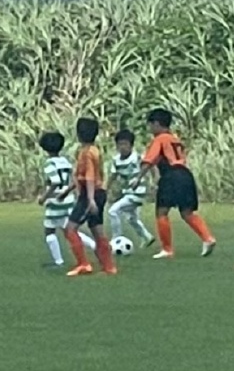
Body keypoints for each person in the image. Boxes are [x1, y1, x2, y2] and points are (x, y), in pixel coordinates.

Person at [131, 108, 216, 259]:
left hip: (171, 175)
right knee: (187, 212)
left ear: (157, 124)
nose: (150, 129)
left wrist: (138, 178)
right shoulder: (175, 139)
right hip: (185, 175)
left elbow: (149, 160)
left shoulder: (160, 139)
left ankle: (167, 249)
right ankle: (207, 238)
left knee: (161, 212)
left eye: (150, 125)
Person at [64, 117, 117, 276]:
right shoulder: (94, 150)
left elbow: (89, 176)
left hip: (90, 194)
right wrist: (68, 191)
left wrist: (90, 198)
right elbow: (84, 176)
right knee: (97, 230)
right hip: (98, 192)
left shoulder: (86, 153)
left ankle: (83, 264)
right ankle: (109, 267)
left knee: (70, 229)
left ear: (79, 133)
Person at [106, 129, 155, 250]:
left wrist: (154, 181)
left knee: (113, 211)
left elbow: (150, 166)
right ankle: (147, 237)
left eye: (125, 144)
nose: (122, 147)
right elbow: (113, 176)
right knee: (132, 219)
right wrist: (106, 188)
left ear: (131, 145)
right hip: (127, 192)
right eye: (120, 144)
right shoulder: (116, 160)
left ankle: (116, 238)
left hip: (137, 192)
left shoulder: (137, 157)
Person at [37, 131, 76, 268]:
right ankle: (95, 246)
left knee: (49, 231)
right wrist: (67, 192)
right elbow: (74, 182)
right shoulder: (65, 161)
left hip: (55, 201)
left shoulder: (49, 163)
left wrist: (44, 197)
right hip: (68, 200)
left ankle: (58, 261)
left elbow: (55, 181)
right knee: (70, 230)